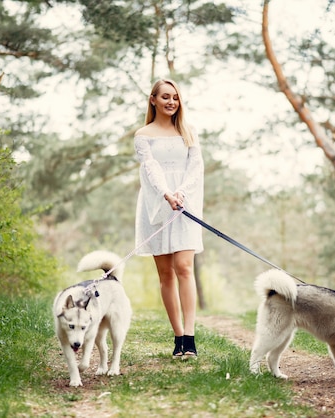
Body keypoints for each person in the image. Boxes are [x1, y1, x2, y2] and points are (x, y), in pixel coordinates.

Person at [134, 79, 204, 359]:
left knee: (184, 267)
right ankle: (178, 337)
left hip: (185, 203)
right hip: (156, 203)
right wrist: (166, 194)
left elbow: (196, 166)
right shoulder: (143, 134)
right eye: (165, 97)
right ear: (153, 100)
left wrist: (181, 194)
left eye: (175, 97)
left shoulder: (188, 131)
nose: (171, 102)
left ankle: (190, 337)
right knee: (165, 273)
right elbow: (150, 168)